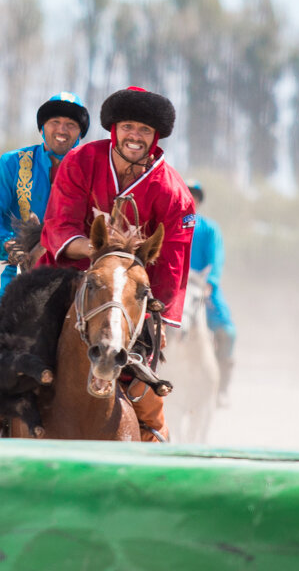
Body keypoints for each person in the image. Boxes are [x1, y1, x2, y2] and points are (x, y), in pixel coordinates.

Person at [39, 86, 197, 442]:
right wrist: (101, 257)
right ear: (114, 129)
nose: (135, 137)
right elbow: (59, 224)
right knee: (10, 351)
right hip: (65, 277)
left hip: (130, 296)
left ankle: (153, 438)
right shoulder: (81, 161)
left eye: (144, 131)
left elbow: (172, 265)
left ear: (155, 137)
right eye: (128, 127)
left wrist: (157, 322)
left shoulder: (175, 194)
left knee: (148, 390)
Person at [0, 92, 90, 438]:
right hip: (24, 278)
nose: (62, 130)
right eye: (55, 122)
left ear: (79, 132)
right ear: (43, 128)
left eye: (70, 124)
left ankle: (145, 427)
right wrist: (7, 243)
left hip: (80, 279)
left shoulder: (92, 167)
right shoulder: (13, 164)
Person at [185, 180, 237, 407]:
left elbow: (216, 260)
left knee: (227, 332)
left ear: (199, 200)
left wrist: (210, 284)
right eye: (186, 194)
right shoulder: (169, 223)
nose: (190, 198)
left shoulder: (209, 228)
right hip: (175, 285)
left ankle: (221, 388)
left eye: (194, 195)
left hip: (202, 286)